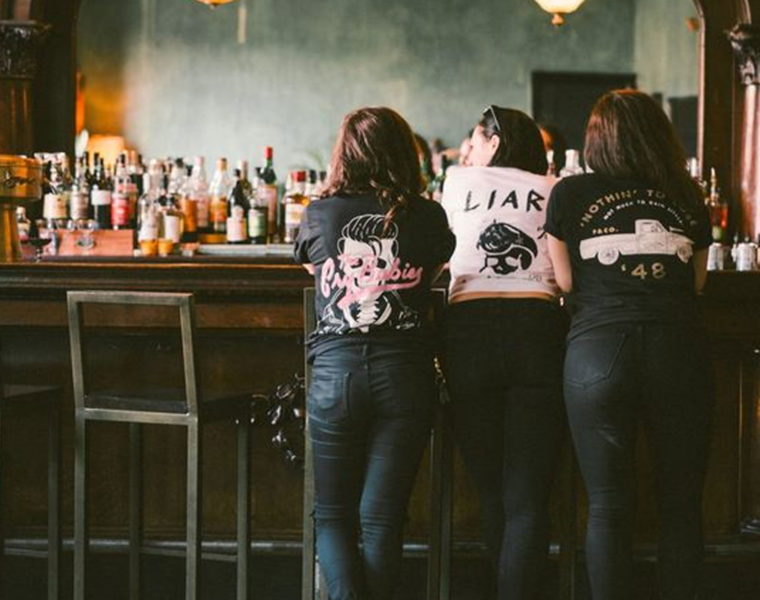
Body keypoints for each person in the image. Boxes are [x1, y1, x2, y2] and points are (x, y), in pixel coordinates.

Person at [545, 89, 713, 600]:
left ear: (596, 140)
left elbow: (565, 282)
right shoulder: (687, 194)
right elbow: (697, 283)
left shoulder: (569, 193)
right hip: (677, 350)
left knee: (608, 505)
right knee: (681, 506)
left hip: (598, 354)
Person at [294, 106, 455, 600]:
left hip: (336, 375)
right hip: (405, 375)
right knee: (382, 519)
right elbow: (434, 274)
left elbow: (315, 272)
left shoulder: (320, 213)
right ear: (406, 154)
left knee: (333, 516)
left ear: (344, 154)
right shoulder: (428, 215)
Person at [440, 106, 567, 599]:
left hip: (469, 330)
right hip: (537, 327)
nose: (467, 151)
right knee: (527, 496)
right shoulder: (554, 187)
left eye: (474, 141)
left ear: (494, 142)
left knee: (491, 489)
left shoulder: (456, 182)